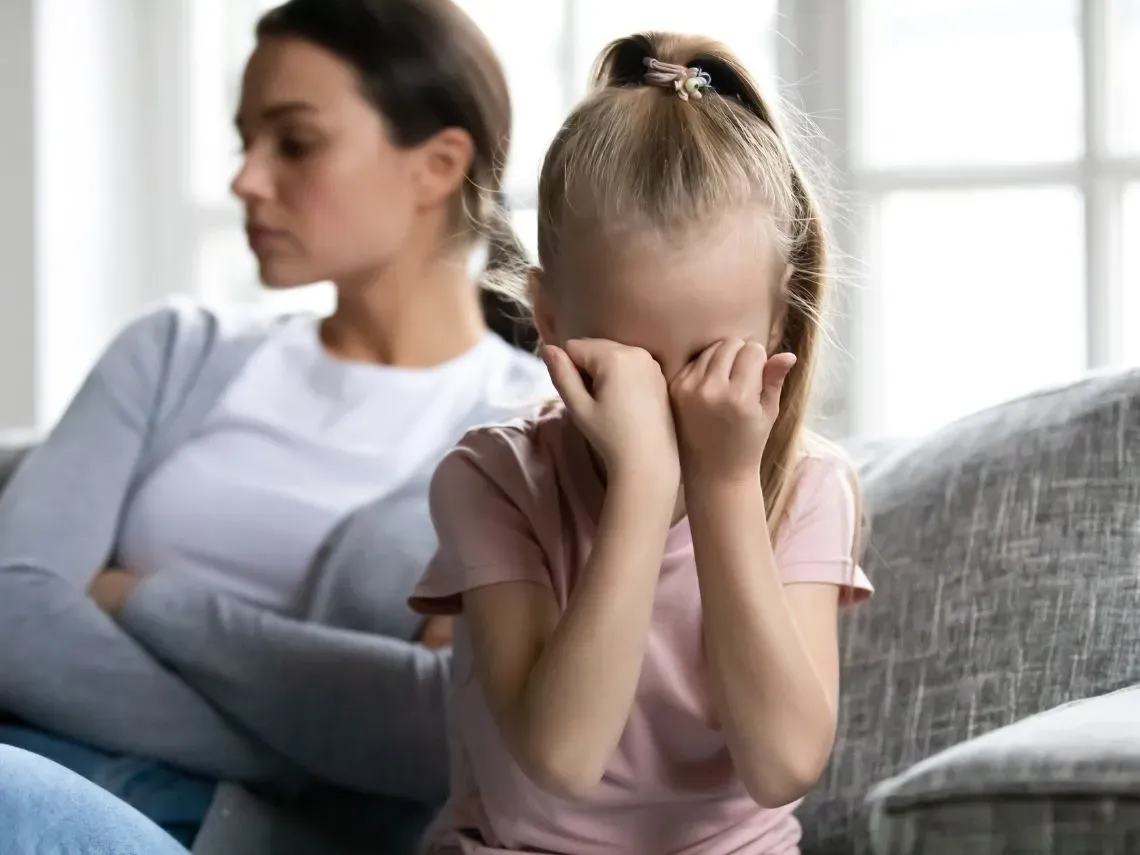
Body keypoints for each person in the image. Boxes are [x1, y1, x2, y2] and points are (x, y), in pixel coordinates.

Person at [0, 1, 546, 853]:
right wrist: (308, 746)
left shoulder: (531, 436)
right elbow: (12, 611)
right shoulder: (175, 353)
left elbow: (442, 728)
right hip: (44, 769)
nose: (246, 180)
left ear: (437, 165)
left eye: (294, 142)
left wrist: (144, 599)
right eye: (243, 141)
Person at [410, 31, 875, 855]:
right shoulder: (492, 477)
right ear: (549, 317)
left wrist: (725, 489)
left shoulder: (808, 487)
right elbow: (561, 756)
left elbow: (783, 765)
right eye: (635, 360)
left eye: (707, 358)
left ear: (776, 321)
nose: (669, 397)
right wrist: (643, 487)